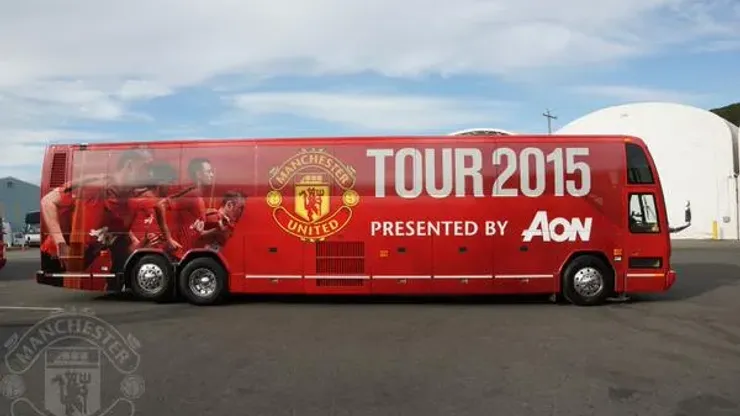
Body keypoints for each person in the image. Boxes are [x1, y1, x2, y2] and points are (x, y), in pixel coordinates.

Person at [40, 149, 178, 274]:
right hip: (54, 257)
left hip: (78, 267)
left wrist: (143, 245)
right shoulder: (93, 186)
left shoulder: (131, 205)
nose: (149, 175)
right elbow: (47, 201)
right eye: (145, 169)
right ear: (130, 166)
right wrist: (61, 244)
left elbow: (123, 244)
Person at [154, 157, 215, 258]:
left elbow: (196, 230)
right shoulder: (193, 195)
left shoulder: (198, 196)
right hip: (177, 254)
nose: (212, 175)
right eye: (208, 172)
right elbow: (160, 205)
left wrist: (217, 228)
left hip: (185, 255)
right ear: (199, 174)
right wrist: (168, 238)